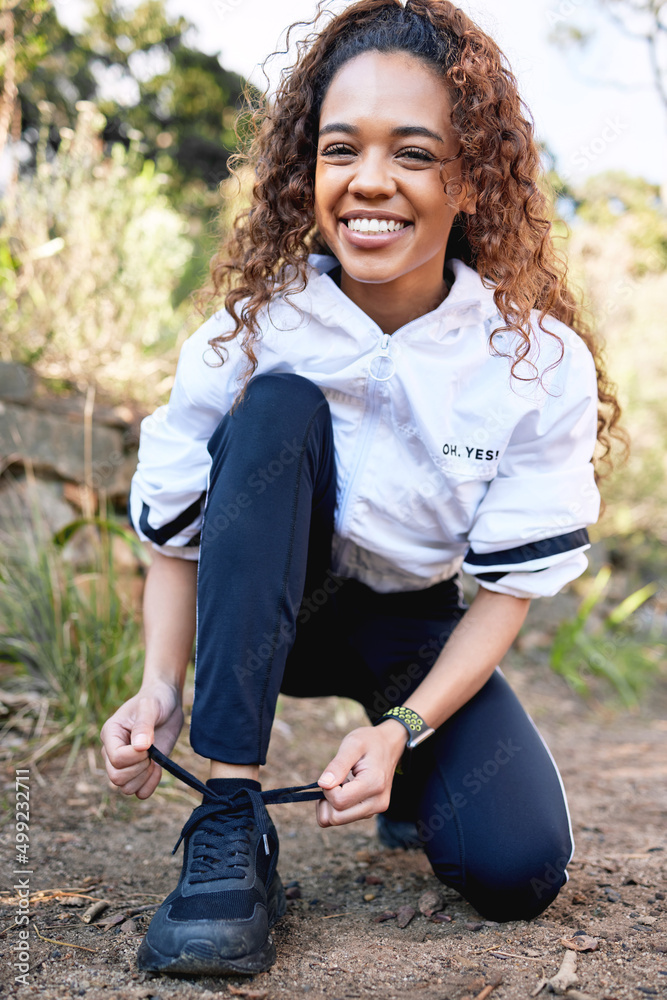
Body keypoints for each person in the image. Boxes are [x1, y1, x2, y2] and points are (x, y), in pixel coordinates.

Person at [100, 0, 622, 978]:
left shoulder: (533, 362)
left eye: (415, 153)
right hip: (263, 609)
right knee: (277, 406)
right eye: (342, 149)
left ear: (469, 178)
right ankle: (230, 823)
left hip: (409, 626)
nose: (369, 181)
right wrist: (160, 687)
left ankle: (412, 775)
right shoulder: (252, 328)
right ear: (310, 168)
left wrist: (400, 730)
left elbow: (503, 592)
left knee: (518, 867)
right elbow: (176, 531)